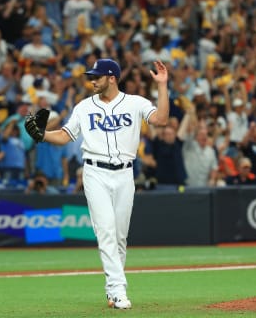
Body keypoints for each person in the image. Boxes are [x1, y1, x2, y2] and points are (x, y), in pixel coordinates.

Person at [25, 58, 169, 309]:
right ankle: (118, 290)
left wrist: (163, 85)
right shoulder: (83, 107)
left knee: (120, 238)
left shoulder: (135, 103)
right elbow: (65, 135)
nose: (92, 80)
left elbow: (161, 120)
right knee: (106, 232)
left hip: (125, 174)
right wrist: (43, 134)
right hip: (95, 173)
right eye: (91, 76)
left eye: (97, 76)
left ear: (112, 78)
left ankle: (112, 292)